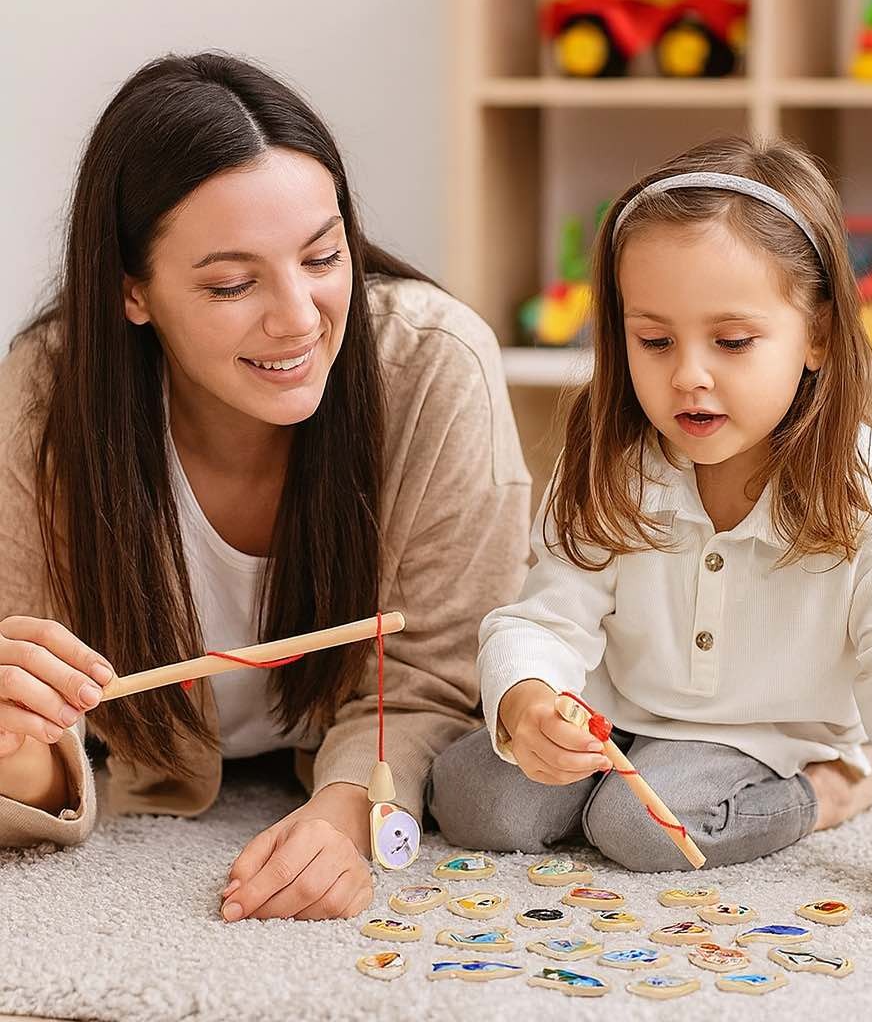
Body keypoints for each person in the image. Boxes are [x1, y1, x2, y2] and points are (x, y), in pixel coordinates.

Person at [429, 136, 872, 938]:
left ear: (815, 336)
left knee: (641, 827)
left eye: (732, 343)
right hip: (617, 712)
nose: (689, 376)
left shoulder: (870, 492)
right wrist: (531, 702)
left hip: (765, 740)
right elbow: (543, 618)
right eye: (654, 340)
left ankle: (835, 788)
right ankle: (586, 782)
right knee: (473, 799)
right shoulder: (612, 464)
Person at [0, 52, 531, 923]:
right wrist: (17, 750)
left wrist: (343, 812)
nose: (297, 317)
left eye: (324, 257)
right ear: (132, 291)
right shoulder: (45, 394)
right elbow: (41, 719)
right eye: (232, 284)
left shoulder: (436, 364)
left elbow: (437, 675)